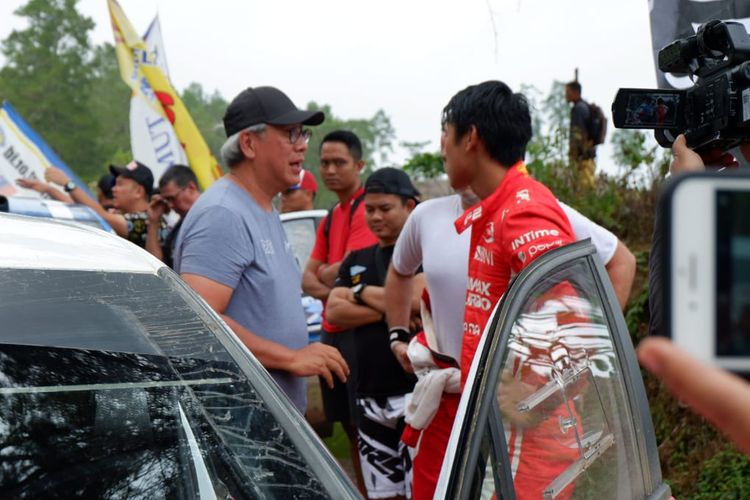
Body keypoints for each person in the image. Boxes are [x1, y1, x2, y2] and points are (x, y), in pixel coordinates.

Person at [385, 187, 636, 498]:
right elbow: (399, 271)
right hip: (448, 400)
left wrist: (567, 368)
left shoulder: (538, 211)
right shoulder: (427, 216)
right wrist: (396, 334)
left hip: (524, 404)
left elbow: (620, 263)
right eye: (445, 135)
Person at [173, 86, 348, 413]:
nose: (302, 145)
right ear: (249, 144)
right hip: (239, 418)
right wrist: (292, 358)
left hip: (269, 418)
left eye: (303, 133)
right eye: (289, 134)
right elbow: (197, 320)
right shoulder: (222, 214)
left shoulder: (263, 207)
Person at [442, 80, 577, 499]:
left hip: (527, 447)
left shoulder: (521, 211)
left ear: (471, 138)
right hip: (509, 436)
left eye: (444, 136)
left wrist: (533, 396)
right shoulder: (503, 205)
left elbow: (571, 323)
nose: (441, 150)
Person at [326, 167, 423, 500]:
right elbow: (333, 310)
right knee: (382, 494)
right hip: (370, 400)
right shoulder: (357, 259)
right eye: (370, 209)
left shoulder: (423, 254)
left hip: (419, 397)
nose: (376, 217)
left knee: (423, 492)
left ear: (410, 206)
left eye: (385, 208)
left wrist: (358, 292)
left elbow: (417, 298)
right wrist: (391, 306)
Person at [301, 130, 377, 489]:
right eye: (325, 163)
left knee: (367, 427)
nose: (330, 170)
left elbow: (344, 268)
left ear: (359, 165)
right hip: (332, 333)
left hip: (358, 334)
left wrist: (330, 275)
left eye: (339, 163)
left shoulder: (368, 209)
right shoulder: (333, 214)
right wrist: (334, 282)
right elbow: (307, 277)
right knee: (349, 426)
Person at [44, 161, 169, 248]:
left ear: (138, 191)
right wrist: (48, 189)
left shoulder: (144, 221)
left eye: (120, 184)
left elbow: (101, 215)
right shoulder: (138, 216)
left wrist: (68, 183)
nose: (114, 189)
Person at [146, 165, 201, 268]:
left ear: (191, 187)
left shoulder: (209, 218)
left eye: (172, 198)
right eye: (167, 200)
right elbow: (157, 266)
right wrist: (153, 221)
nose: (170, 205)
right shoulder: (178, 228)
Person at [564, 81, 596, 187]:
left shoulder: (578, 109)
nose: (566, 95)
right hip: (588, 157)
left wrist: (575, 156)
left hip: (582, 160)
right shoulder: (584, 107)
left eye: (568, 92)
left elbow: (578, 135)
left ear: (575, 92)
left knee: (583, 191)